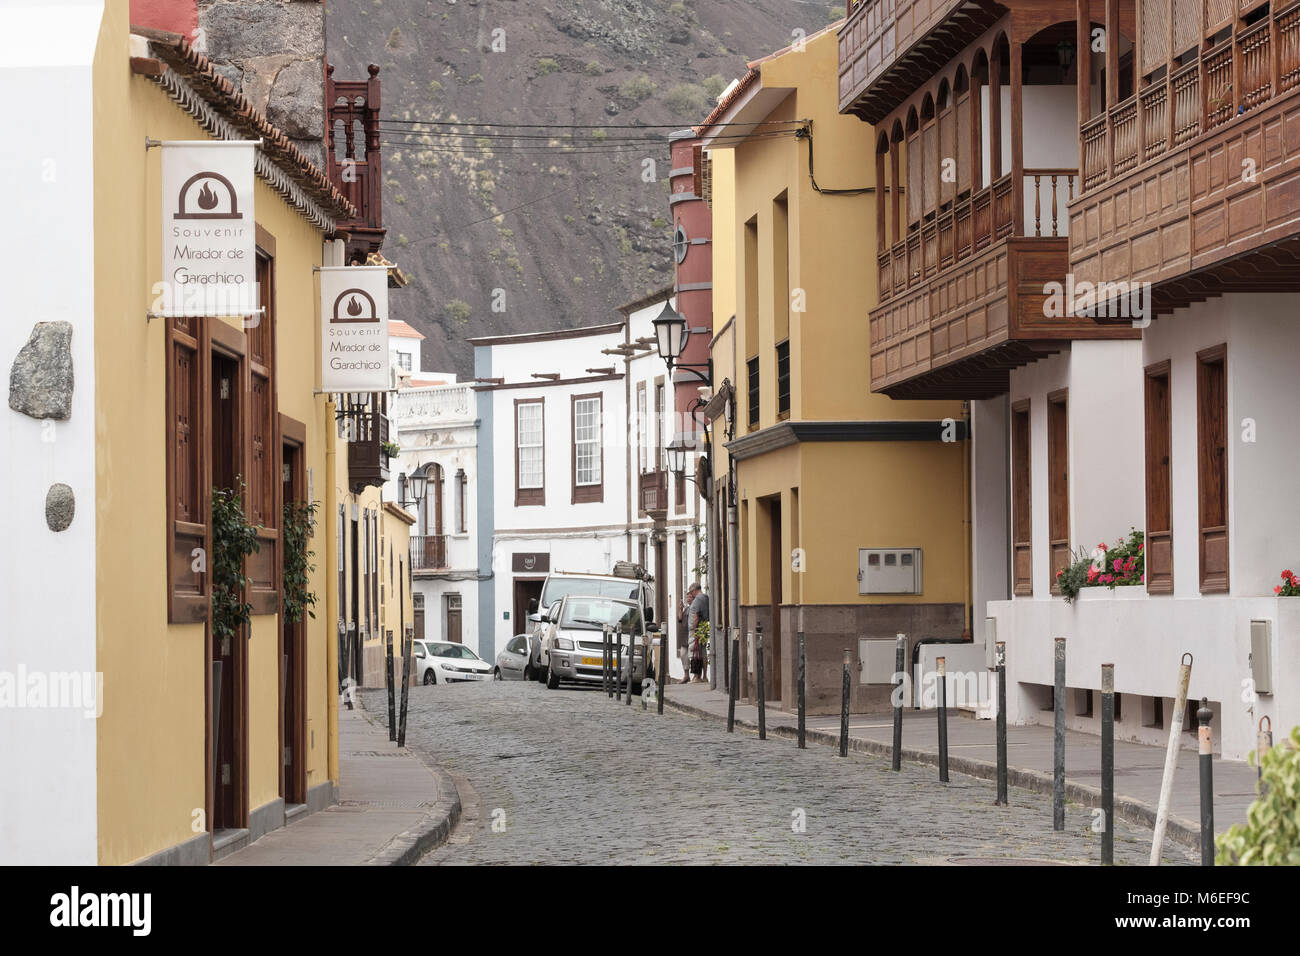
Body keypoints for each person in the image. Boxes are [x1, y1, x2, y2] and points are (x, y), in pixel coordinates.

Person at [688, 584, 709, 682]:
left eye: (691, 592)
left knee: (695, 652)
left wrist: (693, 629)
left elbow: (696, 616)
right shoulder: (706, 598)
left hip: (697, 630)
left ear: (694, 590)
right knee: (703, 653)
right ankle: (704, 676)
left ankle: (697, 676)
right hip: (704, 628)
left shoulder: (697, 600)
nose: (691, 595)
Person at [678, 583, 699, 682]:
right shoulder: (686, 608)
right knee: (683, 655)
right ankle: (686, 675)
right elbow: (680, 619)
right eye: (687, 597)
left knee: (693, 655)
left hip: (691, 634)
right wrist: (680, 608)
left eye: (690, 597)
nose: (688, 599)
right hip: (684, 636)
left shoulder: (694, 608)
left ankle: (695, 675)